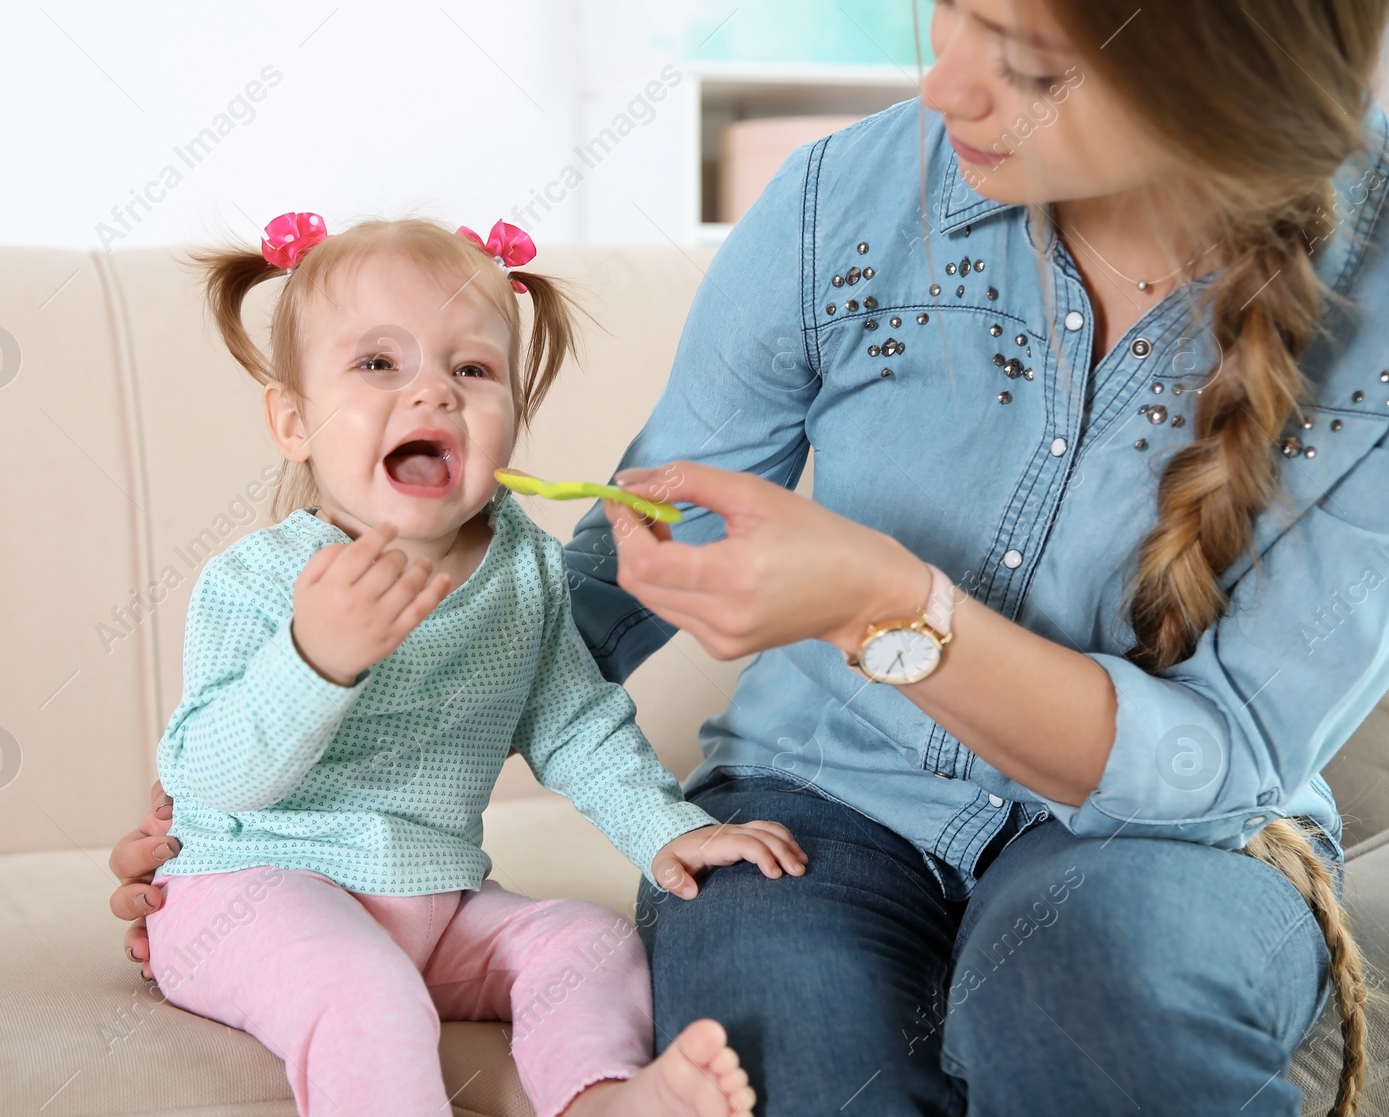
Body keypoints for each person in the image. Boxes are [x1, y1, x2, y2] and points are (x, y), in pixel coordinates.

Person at [114, 0, 1389, 1112]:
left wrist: (889, 605)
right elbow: (591, 606)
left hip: (1175, 842)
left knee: (1084, 995)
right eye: (944, 8)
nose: (940, 84)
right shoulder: (846, 199)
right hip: (818, 805)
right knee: (780, 1060)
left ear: (1231, 83)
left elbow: (1220, 757)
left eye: (1031, 62)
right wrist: (247, 829)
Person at [125, 211, 804, 1117]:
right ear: (293, 421)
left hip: (430, 902)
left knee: (587, 941)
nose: (433, 393)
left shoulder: (522, 568)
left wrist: (664, 829)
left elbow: (576, 724)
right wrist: (312, 661)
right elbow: (207, 773)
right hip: (248, 895)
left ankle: (600, 1099)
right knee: (364, 989)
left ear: (513, 422)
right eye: (378, 364)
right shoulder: (259, 580)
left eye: (473, 369)